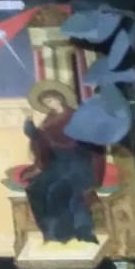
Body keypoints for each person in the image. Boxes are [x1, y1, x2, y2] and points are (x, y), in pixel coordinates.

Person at [21, 83, 105, 245]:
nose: (50, 104)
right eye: (46, 103)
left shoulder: (76, 116)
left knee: (56, 191)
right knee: (36, 188)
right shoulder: (49, 120)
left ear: (60, 98)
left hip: (78, 162)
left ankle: (65, 233)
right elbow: (38, 138)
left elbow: (92, 140)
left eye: (51, 100)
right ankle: (48, 231)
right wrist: (29, 121)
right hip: (57, 162)